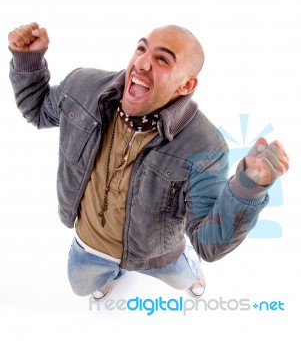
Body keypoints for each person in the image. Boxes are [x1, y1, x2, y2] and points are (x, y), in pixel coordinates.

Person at [8, 22, 289, 301]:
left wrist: (248, 187)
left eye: (162, 59)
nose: (142, 63)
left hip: (158, 256)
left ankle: (188, 270)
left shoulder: (205, 146)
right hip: (89, 246)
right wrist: (28, 60)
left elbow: (208, 243)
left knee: (183, 278)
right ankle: (113, 273)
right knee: (81, 286)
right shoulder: (82, 87)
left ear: (186, 84)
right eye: (141, 48)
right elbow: (38, 110)